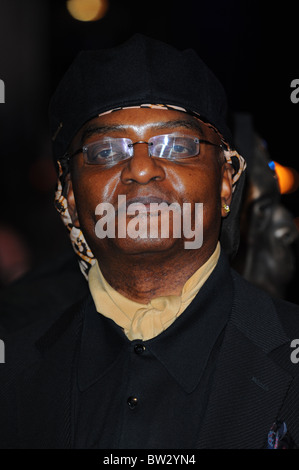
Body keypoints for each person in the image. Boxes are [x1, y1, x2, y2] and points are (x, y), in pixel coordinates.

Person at [1, 34, 299, 450]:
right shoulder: (12, 369)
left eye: (177, 145)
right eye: (105, 151)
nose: (141, 169)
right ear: (68, 195)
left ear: (226, 182)